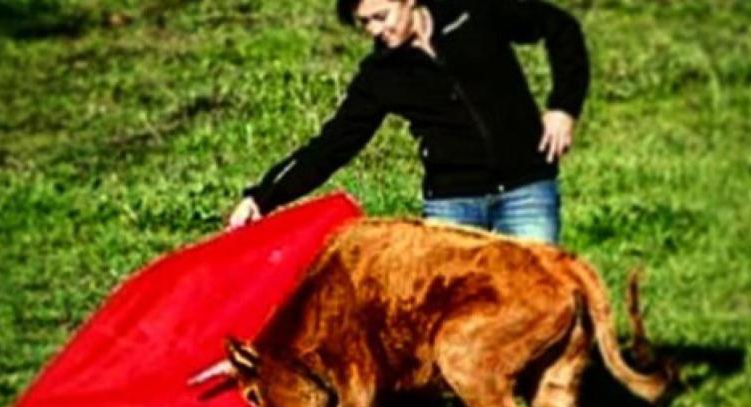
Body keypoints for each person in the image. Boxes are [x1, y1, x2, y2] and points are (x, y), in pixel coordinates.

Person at [228, 0, 589, 244]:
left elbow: (560, 27)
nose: (373, 29)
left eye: (381, 16)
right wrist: (263, 198)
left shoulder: (472, 11)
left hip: (527, 190)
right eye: (364, 22)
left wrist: (563, 106)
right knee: (450, 320)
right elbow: (331, 146)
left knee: (533, 309)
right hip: (452, 205)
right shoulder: (381, 76)